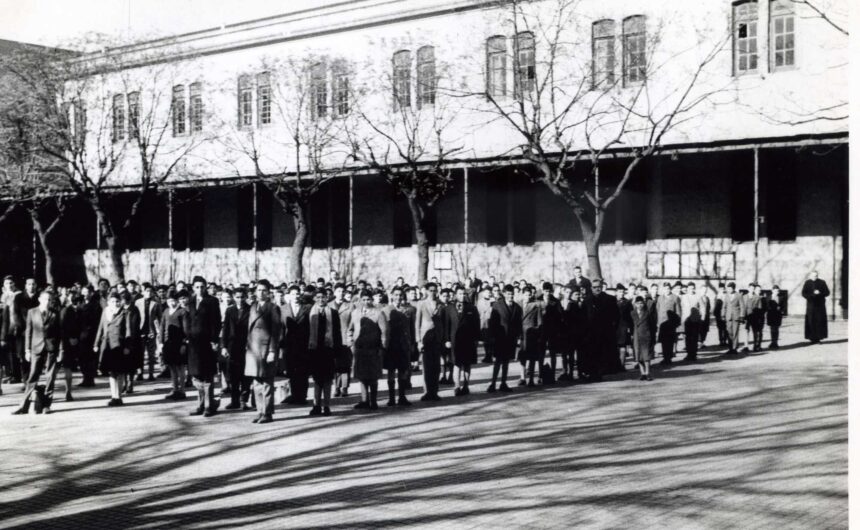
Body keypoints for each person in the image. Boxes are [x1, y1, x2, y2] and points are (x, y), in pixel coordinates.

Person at [12, 290, 61, 414]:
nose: (47, 302)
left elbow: (60, 334)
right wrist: (27, 350)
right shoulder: (32, 312)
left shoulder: (55, 313)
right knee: (33, 376)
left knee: (50, 377)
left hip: (51, 348)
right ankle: (23, 405)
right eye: (45, 299)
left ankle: (47, 405)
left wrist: (60, 350)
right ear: (40, 299)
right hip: (36, 347)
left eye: (50, 300)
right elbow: (28, 332)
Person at [184, 276, 222, 418]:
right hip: (193, 344)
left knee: (207, 375)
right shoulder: (191, 301)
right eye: (197, 287)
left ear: (206, 287)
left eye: (202, 286)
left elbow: (216, 322)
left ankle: (208, 406)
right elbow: (187, 320)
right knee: (196, 375)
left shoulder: (212, 301)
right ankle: (201, 404)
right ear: (193, 288)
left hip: (207, 344)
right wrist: (187, 335)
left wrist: (214, 340)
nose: (200, 289)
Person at [245, 280, 281, 424]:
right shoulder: (253, 307)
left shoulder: (273, 308)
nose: (261, 293)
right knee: (256, 381)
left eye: (264, 290)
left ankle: (267, 412)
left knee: (266, 382)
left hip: (266, 349)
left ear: (269, 292)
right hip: (253, 349)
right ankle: (260, 411)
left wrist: (272, 350)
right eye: (259, 290)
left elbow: (276, 331)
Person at [348, 290, 388, 410]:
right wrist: (350, 343)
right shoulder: (355, 313)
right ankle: (364, 400)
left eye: (368, 299)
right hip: (359, 348)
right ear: (360, 300)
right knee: (361, 376)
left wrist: (382, 347)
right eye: (363, 300)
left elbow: (384, 332)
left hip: (373, 348)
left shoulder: (378, 313)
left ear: (372, 300)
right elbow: (350, 329)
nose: (366, 302)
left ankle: (374, 401)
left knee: (373, 376)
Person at [307, 289, 341, 416]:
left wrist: (337, 351)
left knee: (327, 379)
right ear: (315, 298)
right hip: (314, 350)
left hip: (328, 350)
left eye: (324, 297)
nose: (321, 300)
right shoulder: (310, 313)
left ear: (327, 298)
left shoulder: (333, 313)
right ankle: (316, 405)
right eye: (318, 297)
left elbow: (337, 333)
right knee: (317, 379)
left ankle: (326, 405)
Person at [94, 292, 129, 406]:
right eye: (112, 301)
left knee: (119, 372)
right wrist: (96, 343)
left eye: (117, 301)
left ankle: (119, 397)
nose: (115, 303)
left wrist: (128, 346)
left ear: (120, 302)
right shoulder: (105, 311)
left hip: (119, 345)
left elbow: (129, 330)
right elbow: (100, 327)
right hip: (107, 345)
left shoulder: (124, 313)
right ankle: (113, 396)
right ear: (108, 302)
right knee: (111, 372)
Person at [220, 287, 252, 410]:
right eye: (237, 297)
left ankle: (244, 400)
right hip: (232, 346)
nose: (240, 299)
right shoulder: (230, 310)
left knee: (246, 375)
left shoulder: (251, 310)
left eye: (242, 297)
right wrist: (224, 346)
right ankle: (234, 401)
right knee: (232, 374)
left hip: (246, 346)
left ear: (246, 297)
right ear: (234, 297)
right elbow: (226, 329)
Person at [445, 285, 479, 396]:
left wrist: (476, 339)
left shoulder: (472, 308)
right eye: (460, 293)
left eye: (464, 293)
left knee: (467, 364)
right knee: (456, 364)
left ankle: (466, 385)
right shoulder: (449, 308)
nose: (462, 296)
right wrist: (447, 340)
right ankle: (457, 386)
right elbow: (446, 325)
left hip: (468, 340)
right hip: (455, 341)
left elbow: (476, 325)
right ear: (455, 295)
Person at [487, 285, 522, 392]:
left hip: (511, 339)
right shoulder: (497, 306)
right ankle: (493, 384)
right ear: (504, 294)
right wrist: (492, 336)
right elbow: (492, 322)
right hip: (499, 338)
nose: (510, 296)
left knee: (506, 362)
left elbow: (518, 324)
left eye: (512, 294)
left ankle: (503, 383)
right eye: (508, 294)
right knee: (498, 361)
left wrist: (519, 337)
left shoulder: (517, 307)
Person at [415, 282, 445, 402]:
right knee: (427, 366)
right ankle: (427, 391)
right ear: (426, 291)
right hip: (425, 339)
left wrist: (443, 338)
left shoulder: (441, 304)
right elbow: (417, 323)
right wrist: (418, 340)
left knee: (436, 367)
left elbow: (443, 322)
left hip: (437, 338)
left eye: (435, 290)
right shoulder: (421, 303)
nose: (433, 292)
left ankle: (435, 391)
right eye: (431, 290)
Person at [280, 284, 310, 405]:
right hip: (289, 344)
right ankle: (294, 395)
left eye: (297, 294)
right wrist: (281, 344)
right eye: (293, 294)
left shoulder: (307, 308)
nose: (296, 296)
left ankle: (302, 396)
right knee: (291, 370)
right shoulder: (283, 309)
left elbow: (310, 326)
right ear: (289, 296)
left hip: (303, 344)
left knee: (303, 370)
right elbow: (281, 327)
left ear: (300, 295)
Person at [158, 289, 188, 400]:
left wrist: (184, 343)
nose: (172, 303)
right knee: (172, 367)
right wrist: (161, 342)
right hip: (167, 343)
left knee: (180, 367)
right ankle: (175, 389)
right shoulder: (166, 311)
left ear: (178, 301)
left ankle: (182, 390)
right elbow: (162, 327)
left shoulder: (182, 312)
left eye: (174, 300)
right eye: (169, 300)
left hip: (179, 344)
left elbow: (185, 330)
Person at [385, 288, 414, 405]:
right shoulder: (386, 310)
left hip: (403, 345)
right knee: (391, 371)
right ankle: (391, 398)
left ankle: (402, 397)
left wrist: (412, 343)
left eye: (400, 295)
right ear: (392, 296)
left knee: (403, 371)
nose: (398, 297)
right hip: (391, 345)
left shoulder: (407, 311)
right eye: (396, 295)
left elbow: (410, 329)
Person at [329, 283, 354, 397]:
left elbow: (353, 323)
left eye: (343, 291)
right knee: (334, 364)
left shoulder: (350, 306)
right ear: (334, 292)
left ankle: (344, 387)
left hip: (345, 338)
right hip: (333, 339)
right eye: (338, 291)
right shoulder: (329, 305)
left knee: (345, 364)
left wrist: (351, 336)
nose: (341, 293)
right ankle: (336, 387)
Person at [135, 283, 162, 382]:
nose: (149, 293)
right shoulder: (137, 302)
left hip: (151, 331)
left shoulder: (156, 303)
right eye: (147, 291)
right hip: (140, 331)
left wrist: (158, 331)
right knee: (140, 354)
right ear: (143, 292)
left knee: (151, 355)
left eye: (151, 291)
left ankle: (151, 374)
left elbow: (160, 318)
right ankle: (140, 373)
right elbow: (135, 317)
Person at [58, 292, 81, 403]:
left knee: (68, 367)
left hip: (73, 341)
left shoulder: (77, 311)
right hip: (64, 342)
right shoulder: (65, 311)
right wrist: (69, 339)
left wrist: (77, 337)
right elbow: (62, 327)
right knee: (60, 368)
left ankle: (68, 391)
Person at [560, 285, 586, 381]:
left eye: (578, 294)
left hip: (580, 333)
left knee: (580, 354)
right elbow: (567, 318)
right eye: (575, 294)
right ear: (571, 295)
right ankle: (570, 373)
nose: (577, 296)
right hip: (571, 333)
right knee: (570, 354)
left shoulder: (581, 304)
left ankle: (579, 372)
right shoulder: (571, 305)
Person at [541, 282, 565, 383]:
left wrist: (558, 330)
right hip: (541, 330)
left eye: (549, 291)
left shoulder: (555, 301)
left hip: (552, 330)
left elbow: (560, 316)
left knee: (553, 353)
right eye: (545, 291)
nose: (547, 293)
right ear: (542, 291)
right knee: (541, 353)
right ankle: (541, 375)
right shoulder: (537, 299)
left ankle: (553, 374)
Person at [519, 285, 542, 387]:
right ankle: (522, 377)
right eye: (526, 295)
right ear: (522, 294)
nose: (528, 297)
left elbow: (540, 322)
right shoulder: (517, 305)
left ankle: (531, 379)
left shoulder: (535, 306)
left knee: (532, 357)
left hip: (532, 335)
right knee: (522, 357)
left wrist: (537, 333)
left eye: (529, 295)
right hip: (521, 335)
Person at [656, 282, 681, 366]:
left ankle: (669, 358)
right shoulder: (659, 298)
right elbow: (657, 310)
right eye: (665, 288)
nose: (667, 290)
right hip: (662, 323)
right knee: (663, 341)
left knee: (670, 341)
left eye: (669, 288)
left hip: (671, 324)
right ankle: (665, 357)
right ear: (663, 289)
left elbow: (678, 311)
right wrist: (657, 322)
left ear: (671, 289)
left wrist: (677, 323)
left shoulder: (675, 298)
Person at [121, 292, 142, 395]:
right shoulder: (121, 310)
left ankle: (130, 383)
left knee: (131, 364)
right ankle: (124, 383)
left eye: (123, 299)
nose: (121, 301)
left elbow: (134, 325)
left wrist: (130, 339)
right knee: (123, 363)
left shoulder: (134, 309)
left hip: (132, 339)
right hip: (123, 339)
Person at [630, 296, 655, 381]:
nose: (639, 305)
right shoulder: (632, 313)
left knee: (646, 355)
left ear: (644, 304)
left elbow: (652, 325)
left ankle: (647, 373)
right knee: (638, 355)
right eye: (638, 303)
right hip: (636, 336)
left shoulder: (647, 313)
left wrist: (652, 335)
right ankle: (642, 373)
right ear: (635, 304)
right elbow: (631, 325)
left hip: (646, 336)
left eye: (641, 303)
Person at [802, 271, 829, 344]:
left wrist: (820, 293)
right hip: (811, 305)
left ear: (818, 276)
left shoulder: (822, 282)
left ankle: (818, 338)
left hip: (820, 306)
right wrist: (811, 295)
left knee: (819, 321)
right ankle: (811, 338)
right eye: (813, 276)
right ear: (810, 276)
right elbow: (803, 293)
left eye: (816, 276)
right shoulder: (807, 283)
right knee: (811, 321)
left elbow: (827, 292)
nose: (815, 277)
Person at [721, 282, 746, 355]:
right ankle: (730, 348)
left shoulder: (739, 295)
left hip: (736, 317)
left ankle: (734, 348)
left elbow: (742, 306)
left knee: (735, 333)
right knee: (729, 333)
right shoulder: (726, 296)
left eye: (730, 288)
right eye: (728, 288)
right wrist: (723, 315)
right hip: (728, 317)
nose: (728, 290)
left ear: (733, 288)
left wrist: (742, 316)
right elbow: (724, 306)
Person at [746, 284, 765, 352]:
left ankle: (757, 346)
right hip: (753, 317)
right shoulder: (752, 297)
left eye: (759, 290)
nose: (758, 291)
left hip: (759, 317)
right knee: (755, 332)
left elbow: (762, 308)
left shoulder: (761, 298)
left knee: (759, 332)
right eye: (757, 290)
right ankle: (755, 346)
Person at [766, 285, 783, 350]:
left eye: (777, 291)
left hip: (777, 316)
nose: (777, 292)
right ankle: (773, 342)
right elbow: (766, 306)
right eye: (775, 290)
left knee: (776, 329)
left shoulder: (781, 298)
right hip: (770, 315)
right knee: (772, 329)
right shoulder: (768, 297)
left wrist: (780, 308)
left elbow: (783, 307)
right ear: (772, 290)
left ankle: (775, 342)